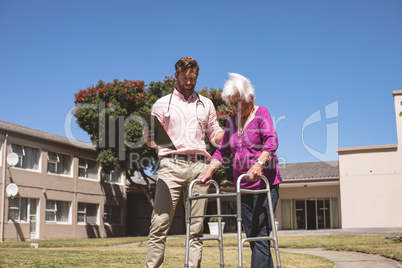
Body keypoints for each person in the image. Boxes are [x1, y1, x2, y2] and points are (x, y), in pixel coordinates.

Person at [142, 56, 224, 268]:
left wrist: (225, 136)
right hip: (171, 165)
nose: (189, 81)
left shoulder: (206, 103)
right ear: (176, 75)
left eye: (193, 77)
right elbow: (153, 142)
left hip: (200, 167)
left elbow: (214, 134)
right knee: (160, 222)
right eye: (185, 77)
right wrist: (149, 137)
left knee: (196, 227)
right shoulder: (161, 103)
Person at [199, 73, 282, 268]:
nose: (235, 107)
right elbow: (223, 150)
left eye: (239, 102)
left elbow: (271, 141)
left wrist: (259, 164)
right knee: (253, 235)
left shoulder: (261, 114)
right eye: (232, 103)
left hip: (264, 184)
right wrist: (209, 170)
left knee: (260, 235)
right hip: (243, 186)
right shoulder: (231, 122)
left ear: (250, 98)